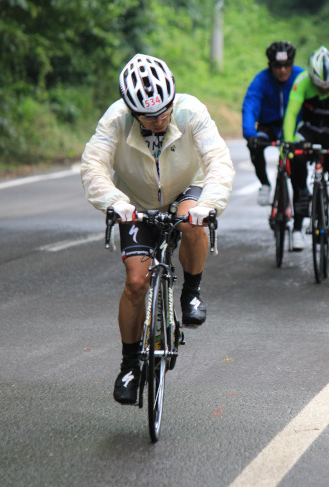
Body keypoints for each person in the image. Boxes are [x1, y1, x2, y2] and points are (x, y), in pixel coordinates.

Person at [80, 54, 235, 405]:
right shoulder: (115, 120)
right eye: (151, 116)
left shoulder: (191, 111)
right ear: (132, 112)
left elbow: (218, 162)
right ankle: (130, 364)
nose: (161, 118)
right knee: (136, 281)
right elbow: (94, 166)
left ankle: (191, 291)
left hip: (186, 187)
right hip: (135, 199)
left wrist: (210, 205)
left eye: (165, 110)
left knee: (193, 218)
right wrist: (114, 202)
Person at [282, 46, 329, 263]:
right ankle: (303, 192)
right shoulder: (302, 81)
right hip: (310, 132)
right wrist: (288, 143)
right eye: (319, 87)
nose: (324, 90)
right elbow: (291, 115)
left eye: (328, 87)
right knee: (294, 155)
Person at [242, 41, 305, 206]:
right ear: (270, 65)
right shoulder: (261, 79)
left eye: (287, 65)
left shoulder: (301, 77)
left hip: (294, 127)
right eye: (278, 66)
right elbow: (250, 106)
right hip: (269, 126)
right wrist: (250, 134)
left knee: (297, 160)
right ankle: (264, 184)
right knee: (254, 146)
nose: (283, 70)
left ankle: (301, 191)